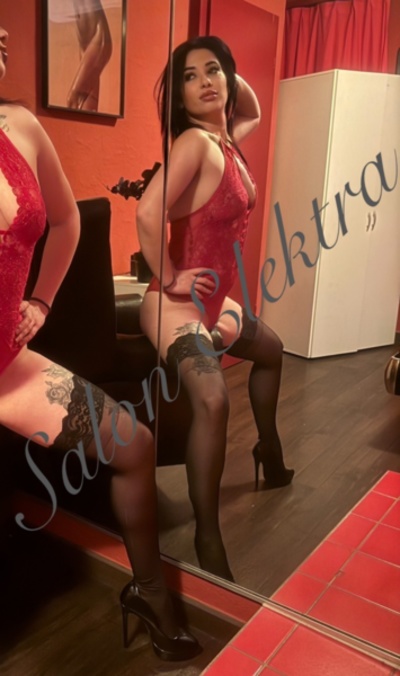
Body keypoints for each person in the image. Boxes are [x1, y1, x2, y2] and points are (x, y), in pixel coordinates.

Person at [0, 24, 200, 662]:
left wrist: (40, 301)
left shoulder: (20, 127)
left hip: (8, 367)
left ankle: (149, 594)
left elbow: (66, 222)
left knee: (133, 444)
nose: (2, 32)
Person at [137, 36, 294, 582]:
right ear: (178, 98)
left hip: (214, 304)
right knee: (212, 399)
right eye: (189, 76)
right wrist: (171, 276)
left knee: (271, 351)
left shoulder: (227, 141)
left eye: (213, 72)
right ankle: (207, 536)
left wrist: (224, 73)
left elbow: (251, 109)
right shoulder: (196, 144)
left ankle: (269, 451)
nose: (204, 82)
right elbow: (147, 213)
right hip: (173, 306)